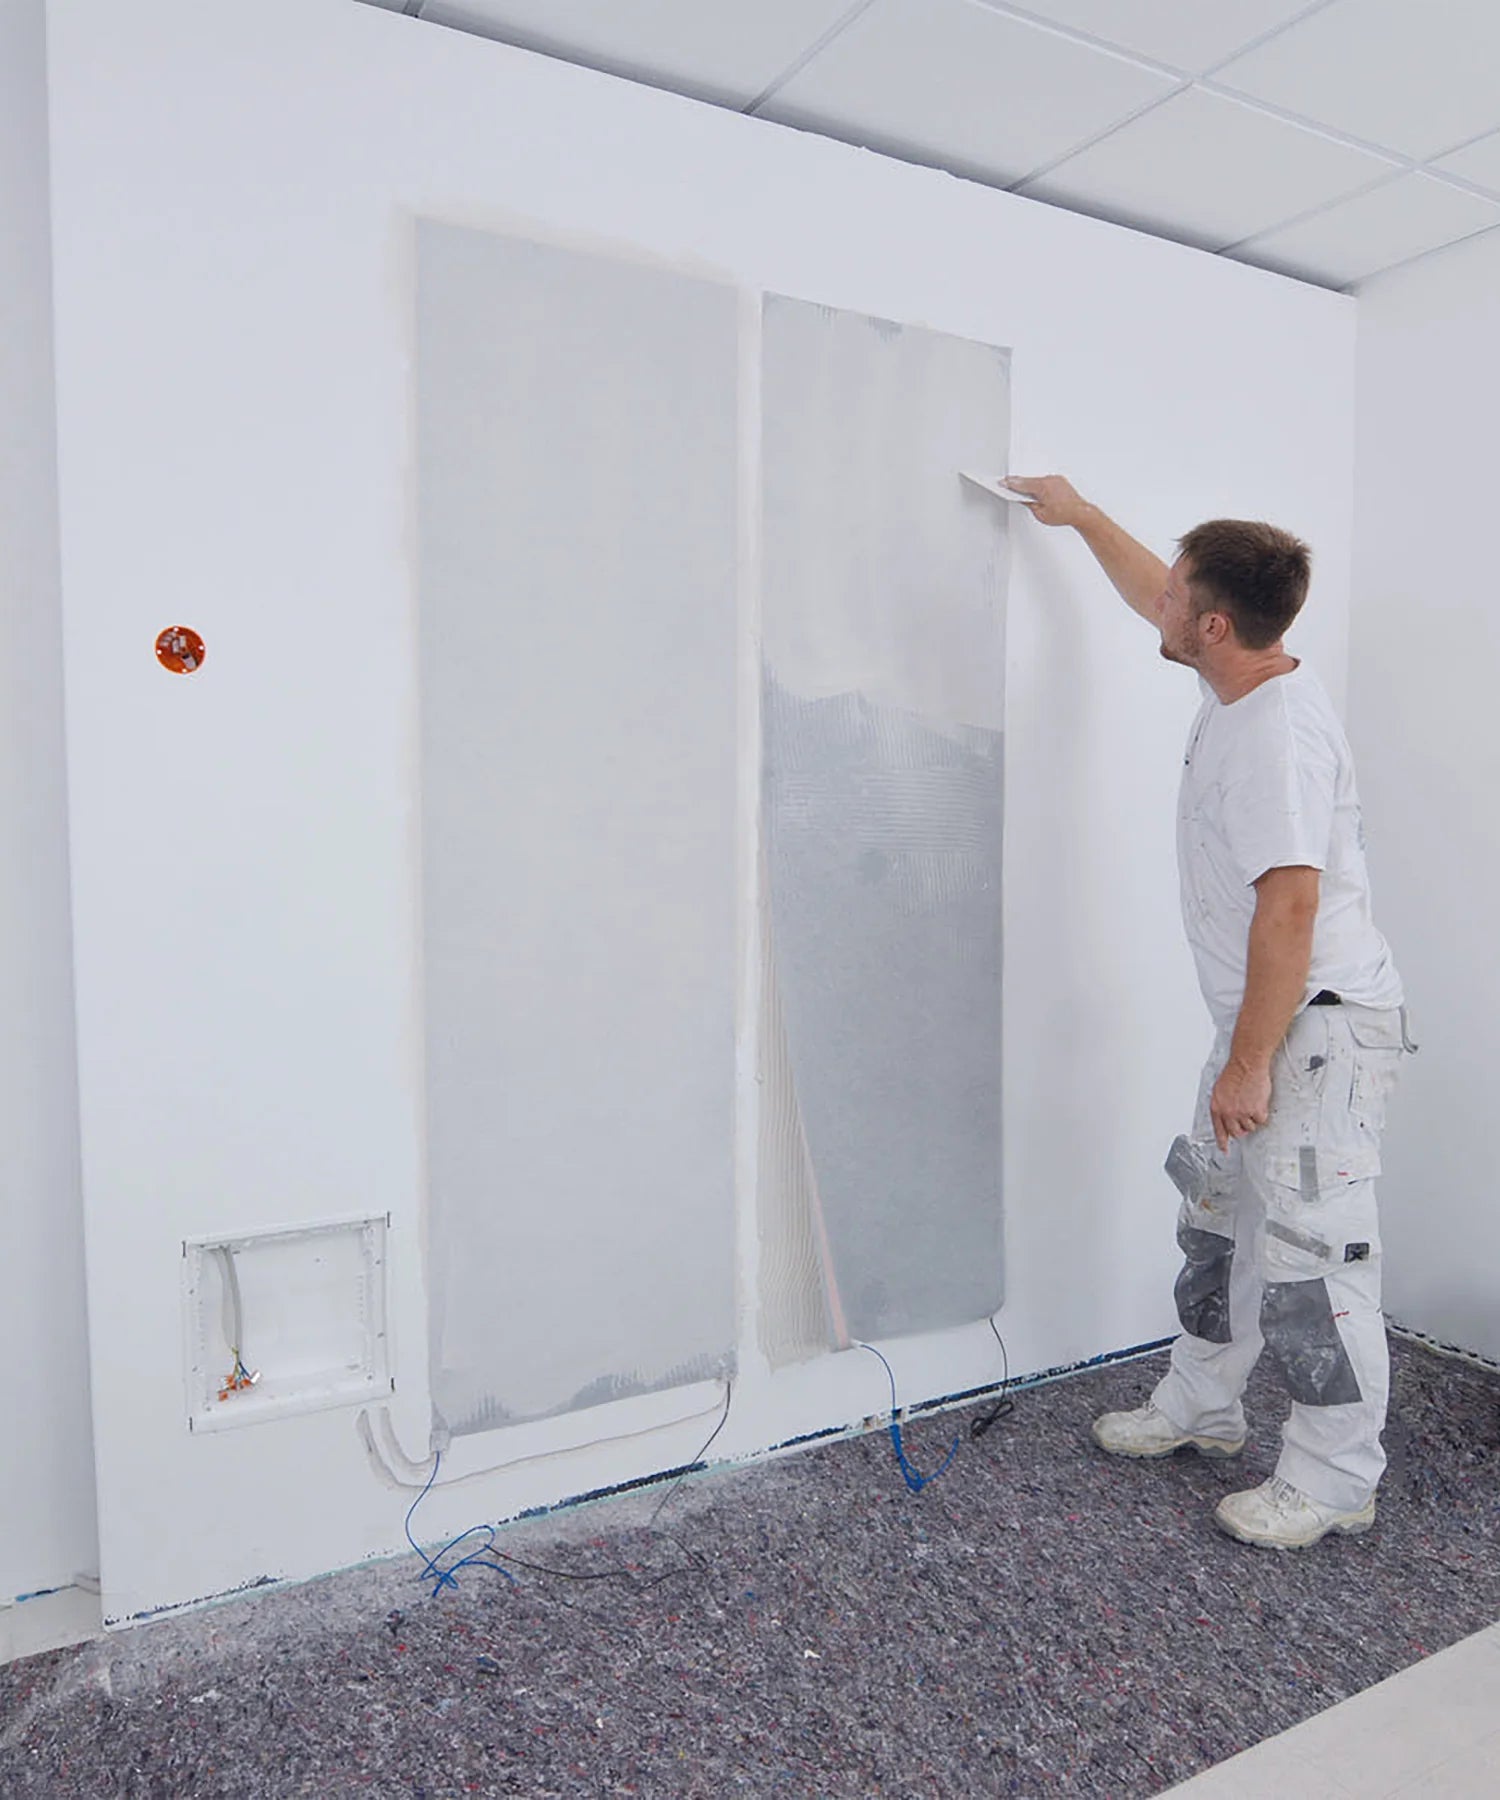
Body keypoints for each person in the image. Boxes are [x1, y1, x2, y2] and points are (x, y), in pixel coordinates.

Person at [1007, 474, 1411, 1551]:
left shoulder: (1277, 740)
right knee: (1217, 1224)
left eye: (1178, 595)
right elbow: (1158, 589)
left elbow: (1291, 908)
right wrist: (1083, 516)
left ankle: (1334, 1478)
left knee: (1313, 1261)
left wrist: (1248, 1064)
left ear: (1214, 625)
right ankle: (1203, 1405)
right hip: (1263, 1024)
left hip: (1313, 1031)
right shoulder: (1237, 675)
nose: (1163, 602)